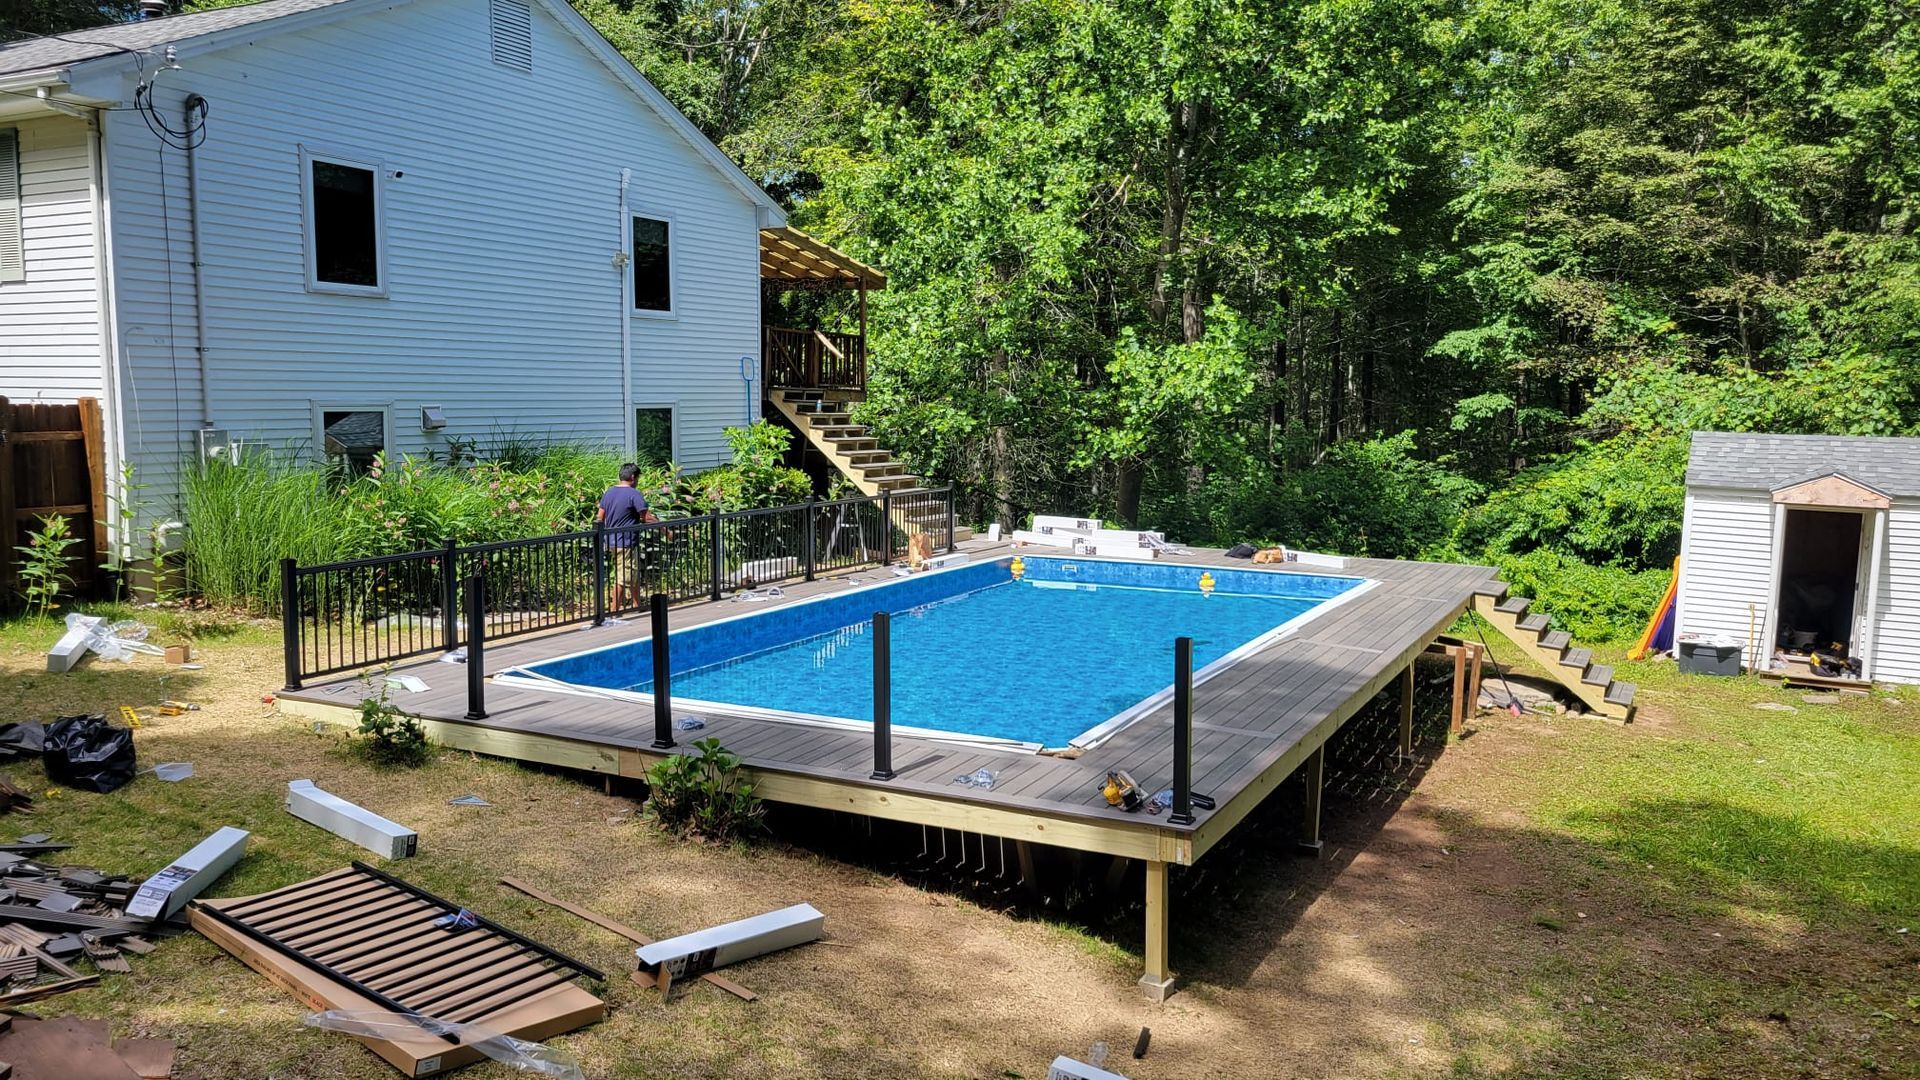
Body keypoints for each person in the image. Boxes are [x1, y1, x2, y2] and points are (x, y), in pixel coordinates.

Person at [597, 463, 655, 610]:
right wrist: (666, 531)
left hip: (611, 540)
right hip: (626, 541)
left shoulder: (609, 492)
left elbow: (599, 517)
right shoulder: (633, 494)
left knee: (632, 571)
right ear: (633, 477)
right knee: (624, 576)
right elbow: (647, 517)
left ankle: (637, 604)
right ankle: (614, 610)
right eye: (638, 478)